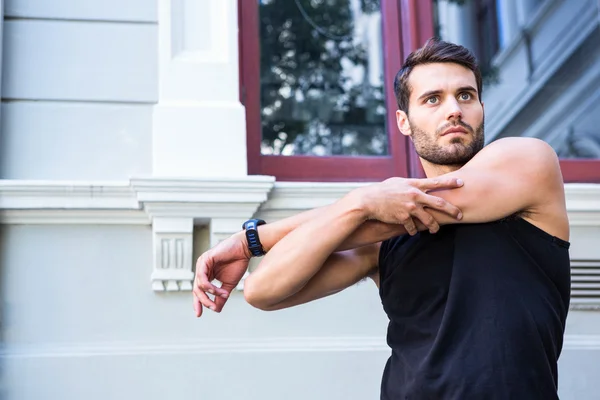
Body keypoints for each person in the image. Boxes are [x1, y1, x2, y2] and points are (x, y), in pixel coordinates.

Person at [193, 38, 571, 399]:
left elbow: (419, 205)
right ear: (404, 122)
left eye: (466, 95)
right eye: (433, 99)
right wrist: (356, 204)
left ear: (482, 108)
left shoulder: (529, 162)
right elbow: (262, 291)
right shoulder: (378, 237)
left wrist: (251, 240)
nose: (454, 108)